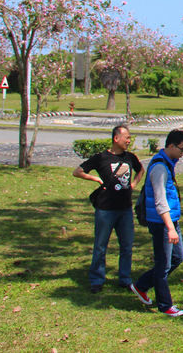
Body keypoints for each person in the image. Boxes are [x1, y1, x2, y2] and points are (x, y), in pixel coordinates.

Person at [73, 125, 143, 294]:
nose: (128, 140)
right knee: (100, 246)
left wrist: (133, 184)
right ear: (115, 138)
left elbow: (141, 170)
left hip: (125, 210)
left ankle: (125, 279)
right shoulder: (101, 158)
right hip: (105, 210)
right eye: (126, 137)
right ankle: (97, 279)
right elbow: (78, 171)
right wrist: (96, 179)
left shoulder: (130, 157)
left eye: (129, 138)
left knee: (126, 246)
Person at [129, 129, 183, 317]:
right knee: (163, 264)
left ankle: (141, 285)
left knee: (177, 258)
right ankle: (165, 305)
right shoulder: (159, 168)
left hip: (171, 221)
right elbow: (160, 201)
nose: (182, 153)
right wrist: (170, 228)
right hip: (162, 223)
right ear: (170, 146)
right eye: (181, 149)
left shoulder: (167, 163)